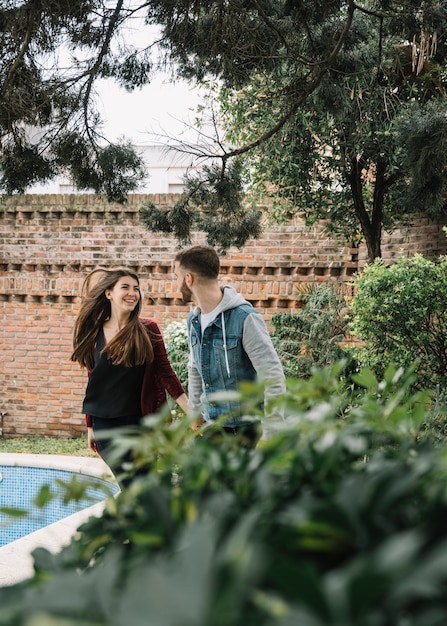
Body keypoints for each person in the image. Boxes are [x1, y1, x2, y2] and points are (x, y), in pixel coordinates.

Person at [71, 267, 188, 486]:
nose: (132, 293)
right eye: (125, 287)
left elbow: (165, 372)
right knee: (130, 485)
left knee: (145, 483)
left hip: (141, 424)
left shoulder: (147, 329)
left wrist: (191, 413)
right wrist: (90, 427)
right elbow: (93, 380)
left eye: (136, 289)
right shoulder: (94, 333)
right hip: (104, 424)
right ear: (109, 293)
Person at [173, 245, 286, 447]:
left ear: (188, 279)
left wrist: (271, 435)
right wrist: (195, 413)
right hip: (211, 429)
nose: (175, 284)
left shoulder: (244, 318)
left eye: (176, 277)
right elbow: (194, 369)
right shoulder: (194, 320)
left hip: (248, 433)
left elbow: (273, 376)